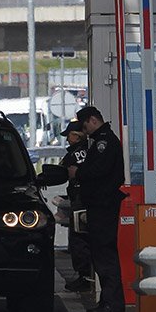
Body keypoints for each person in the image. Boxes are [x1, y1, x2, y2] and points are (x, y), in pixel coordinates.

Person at [70, 105, 126, 312]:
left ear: (93, 120)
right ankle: (109, 301)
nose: (84, 132)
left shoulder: (104, 142)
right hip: (101, 205)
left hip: (103, 206)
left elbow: (99, 170)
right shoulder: (103, 140)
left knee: (104, 255)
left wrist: (79, 172)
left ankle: (112, 302)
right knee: (102, 255)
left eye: (85, 126)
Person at [60, 119, 94, 293]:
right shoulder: (92, 149)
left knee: (78, 239)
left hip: (80, 200)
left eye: (70, 136)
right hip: (92, 198)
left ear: (77, 136)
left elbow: (61, 172)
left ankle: (84, 277)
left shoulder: (73, 155)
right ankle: (89, 275)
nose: (67, 140)